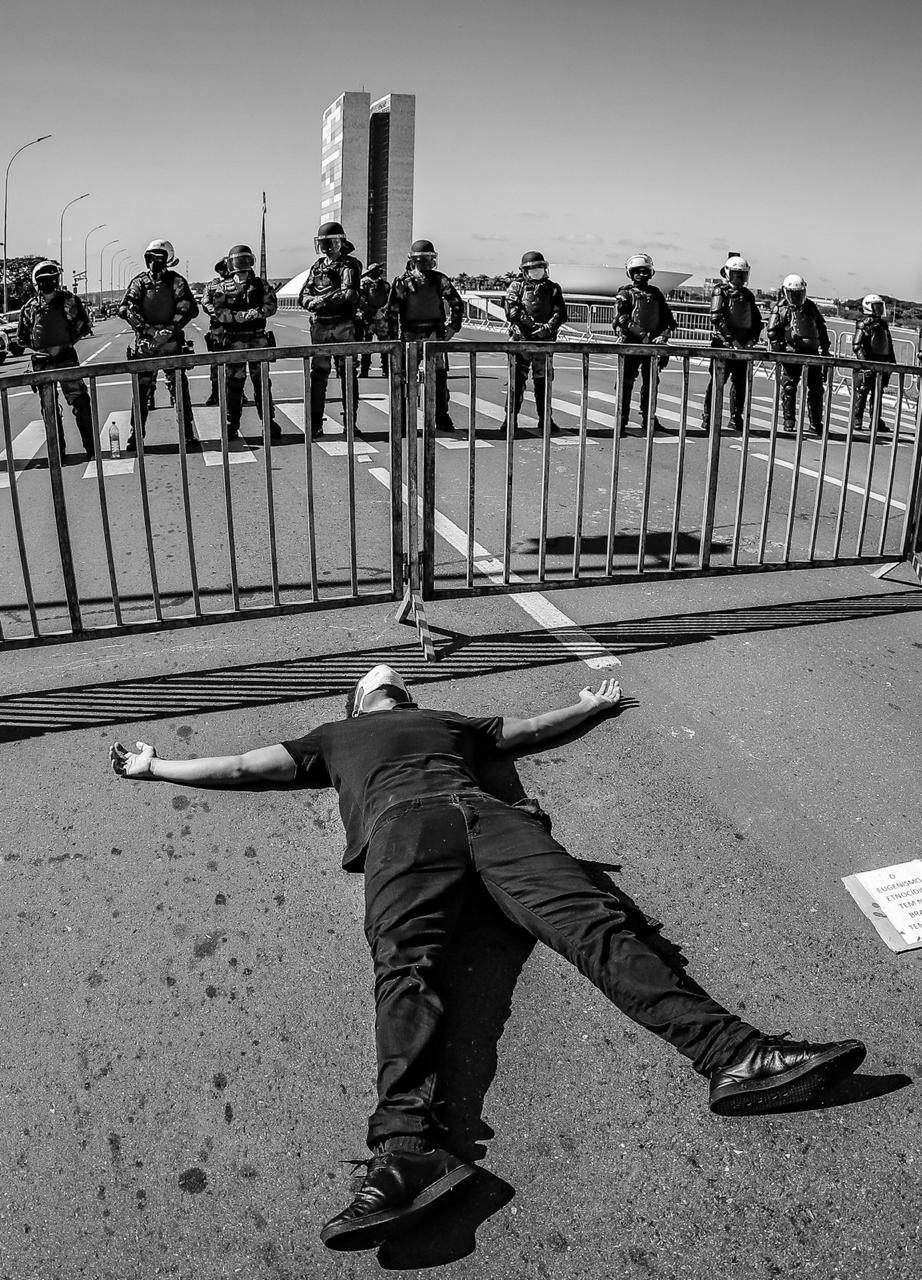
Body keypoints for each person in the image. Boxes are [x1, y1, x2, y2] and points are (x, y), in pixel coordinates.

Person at [110, 664, 867, 1253]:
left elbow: (526, 730)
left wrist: (589, 707)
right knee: (404, 971)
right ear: (358, 703)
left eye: (395, 680)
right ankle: (407, 1153)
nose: (387, 678)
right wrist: (155, 767)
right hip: (402, 830)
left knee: (597, 927)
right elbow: (243, 765)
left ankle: (736, 1057)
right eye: (374, 680)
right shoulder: (333, 737)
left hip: (493, 819)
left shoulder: (447, 721)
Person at [9, 260, 95, 459]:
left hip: (66, 360)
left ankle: (91, 448)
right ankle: (57, 453)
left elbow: (83, 326)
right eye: (43, 280)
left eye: (51, 279)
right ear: (36, 282)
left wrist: (64, 345)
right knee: (49, 409)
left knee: (81, 403)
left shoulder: (70, 301)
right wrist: (42, 350)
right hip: (42, 364)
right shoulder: (30, 308)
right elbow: (22, 338)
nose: (48, 283)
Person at [118, 239, 198, 450]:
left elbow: (188, 308)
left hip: (171, 343)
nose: (154, 262)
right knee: (141, 392)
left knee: (179, 389)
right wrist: (150, 331)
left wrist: (170, 329)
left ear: (167, 259)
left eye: (159, 258)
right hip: (146, 344)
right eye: (151, 258)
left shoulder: (176, 281)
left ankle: (187, 433)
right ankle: (136, 435)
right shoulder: (139, 282)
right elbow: (126, 308)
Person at [201, 244, 281, 440]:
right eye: (238, 261)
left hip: (257, 339)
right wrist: (239, 316)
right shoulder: (222, 287)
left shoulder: (260, 285)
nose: (242, 265)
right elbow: (219, 312)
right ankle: (232, 423)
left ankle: (268, 422)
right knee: (234, 384)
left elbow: (271, 306)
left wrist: (257, 313)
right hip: (234, 341)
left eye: (245, 260)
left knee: (262, 383)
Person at [387, 239, 463, 432]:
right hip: (410, 336)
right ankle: (402, 422)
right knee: (404, 380)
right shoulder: (402, 282)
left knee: (438, 379)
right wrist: (394, 342)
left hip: (434, 336)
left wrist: (452, 328)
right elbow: (392, 312)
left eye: (428, 259)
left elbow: (456, 303)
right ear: (413, 260)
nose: (425, 263)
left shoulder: (440, 280)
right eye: (422, 259)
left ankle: (441, 417)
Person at [298, 222, 362, 438]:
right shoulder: (317, 266)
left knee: (348, 374)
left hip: (344, 324)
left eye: (331, 242)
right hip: (321, 326)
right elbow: (304, 294)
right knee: (318, 375)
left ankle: (350, 423)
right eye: (323, 243)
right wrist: (312, 302)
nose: (327, 247)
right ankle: (315, 423)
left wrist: (322, 301)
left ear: (340, 242)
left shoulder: (349, 264)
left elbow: (348, 294)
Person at [503, 250, 568, 432]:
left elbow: (560, 313)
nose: (538, 271)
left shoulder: (553, 288)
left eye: (540, 267)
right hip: (520, 341)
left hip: (544, 342)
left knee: (543, 383)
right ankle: (510, 419)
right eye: (534, 268)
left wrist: (547, 328)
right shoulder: (516, 287)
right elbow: (512, 311)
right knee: (516, 382)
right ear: (525, 271)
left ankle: (545, 418)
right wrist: (532, 326)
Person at [614, 253, 676, 433]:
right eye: (637, 271)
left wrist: (663, 335)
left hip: (652, 345)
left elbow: (668, 319)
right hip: (631, 343)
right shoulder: (625, 293)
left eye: (645, 271)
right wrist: (642, 336)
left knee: (651, 382)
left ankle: (649, 418)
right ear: (630, 273)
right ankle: (621, 419)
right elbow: (622, 319)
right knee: (625, 382)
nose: (641, 275)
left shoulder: (656, 294)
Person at [701, 255, 764, 433]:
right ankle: (708, 417)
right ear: (729, 273)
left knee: (740, 383)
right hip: (723, 344)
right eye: (737, 274)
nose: (741, 278)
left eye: (743, 274)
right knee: (717, 381)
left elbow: (757, 321)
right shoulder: (720, 291)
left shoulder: (748, 295)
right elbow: (716, 317)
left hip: (743, 345)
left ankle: (736, 417)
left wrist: (751, 340)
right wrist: (731, 340)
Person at [767, 275, 831, 435]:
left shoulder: (811, 307)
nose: (796, 296)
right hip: (791, 352)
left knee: (816, 389)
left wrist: (825, 349)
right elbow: (773, 332)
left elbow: (821, 328)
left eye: (799, 293)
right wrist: (779, 351)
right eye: (792, 293)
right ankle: (789, 420)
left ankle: (816, 423)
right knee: (789, 387)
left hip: (812, 353)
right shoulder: (780, 308)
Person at [203, 260, 250, 409]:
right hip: (218, 329)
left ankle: (239, 393)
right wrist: (219, 313)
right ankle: (215, 392)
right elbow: (206, 303)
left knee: (237, 364)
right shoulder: (213, 285)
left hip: (235, 329)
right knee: (216, 362)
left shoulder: (239, 284)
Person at [852, 294, 895, 433]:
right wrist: (864, 364)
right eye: (876, 307)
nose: (879, 309)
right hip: (866, 364)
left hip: (881, 363)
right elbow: (857, 345)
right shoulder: (863, 324)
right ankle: (857, 419)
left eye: (880, 306)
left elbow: (889, 346)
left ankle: (876, 420)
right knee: (861, 392)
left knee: (877, 394)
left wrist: (892, 364)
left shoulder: (883, 325)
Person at [357, 263, 391, 378]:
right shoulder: (365, 285)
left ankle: (386, 369)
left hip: (381, 317)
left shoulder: (385, 285)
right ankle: (365, 369)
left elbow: (389, 300)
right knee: (367, 345)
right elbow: (361, 301)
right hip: (369, 317)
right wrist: (373, 311)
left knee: (384, 345)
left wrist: (382, 311)